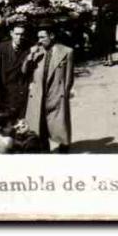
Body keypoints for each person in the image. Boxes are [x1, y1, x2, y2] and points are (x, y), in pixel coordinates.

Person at [23, 24, 74, 152]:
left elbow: (69, 77)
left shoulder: (67, 51)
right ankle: (44, 150)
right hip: (38, 94)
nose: (40, 40)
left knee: (59, 125)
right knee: (40, 125)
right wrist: (29, 58)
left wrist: (64, 93)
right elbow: (24, 72)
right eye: (38, 37)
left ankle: (63, 147)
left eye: (43, 37)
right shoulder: (35, 52)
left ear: (51, 36)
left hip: (56, 93)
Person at [0, 23, 31, 119]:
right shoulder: (3, 46)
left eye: (22, 34)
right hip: (6, 84)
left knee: (21, 115)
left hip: (22, 85)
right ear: (11, 33)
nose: (19, 37)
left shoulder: (29, 47)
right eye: (17, 34)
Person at [92, 0, 118, 66]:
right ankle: (105, 58)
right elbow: (95, 8)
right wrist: (95, 20)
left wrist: (111, 9)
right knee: (102, 39)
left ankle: (110, 58)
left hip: (111, 21)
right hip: (101, 20)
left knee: (110, 39)